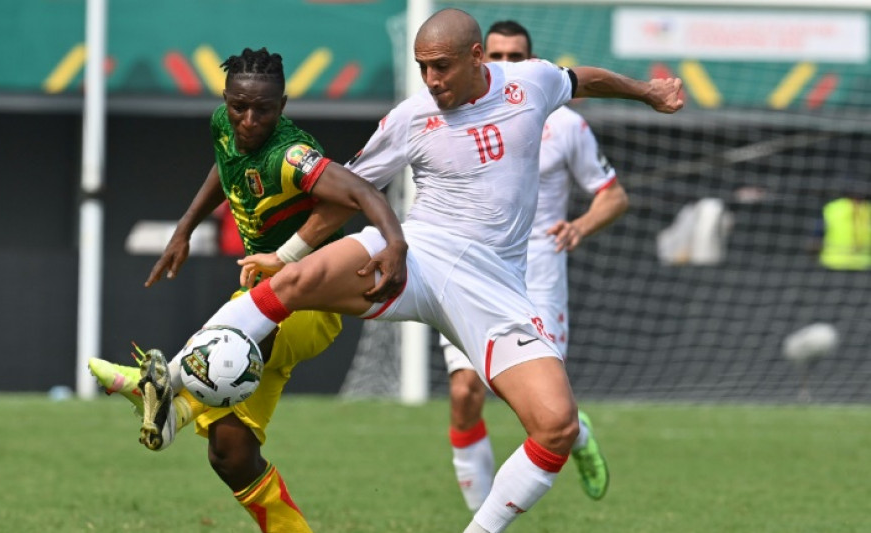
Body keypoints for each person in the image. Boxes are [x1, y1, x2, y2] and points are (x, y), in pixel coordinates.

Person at [143, 9, 682, 532]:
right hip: (419, 253)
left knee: (558, 425)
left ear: (476, 57)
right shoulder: (411, 116)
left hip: (495, 286)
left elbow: (583, 78)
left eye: (441, 66)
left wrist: (648, 91)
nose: (430, 79)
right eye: (422, 66)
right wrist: (285, 254)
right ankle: (179, 384)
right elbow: (348, 190)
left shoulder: (530, 83)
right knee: (295, 282)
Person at [88, 47, 408, 533]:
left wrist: (395, 243)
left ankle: (162, 392)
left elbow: (364, 191)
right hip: (263, 300)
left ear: (284, 104)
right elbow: (225, 163)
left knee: (235, 336)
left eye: (264, 109)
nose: (250, 120)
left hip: (309, 304)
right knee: (230, 453)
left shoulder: (293, 155)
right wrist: (184, 229)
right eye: (240, 107)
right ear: (226, 99)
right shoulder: (225, 124)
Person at [441, 20, 628, 511]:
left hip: (538, 270)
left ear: (532, 61)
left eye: (516, 56)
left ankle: (579, 433)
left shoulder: (564, 124)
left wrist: (580, 226)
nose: (505, 65)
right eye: (496, 56)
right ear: (479, 58)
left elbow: (613, 196)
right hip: (471, 269)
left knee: (537, 403)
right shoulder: (452, 115)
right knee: (464, 393)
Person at [814, 176, 871, 270]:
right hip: (859, 265)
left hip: (836, 263)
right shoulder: (867, 210)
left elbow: (817, 235)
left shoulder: (833, 208)